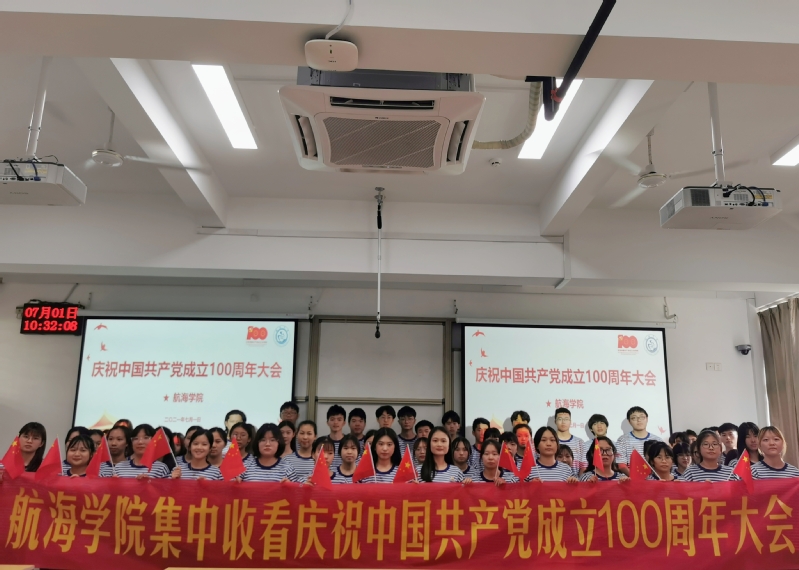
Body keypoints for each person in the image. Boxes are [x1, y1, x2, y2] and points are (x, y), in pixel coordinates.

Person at [104, 424, 170, 479]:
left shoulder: (161, 468)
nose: (140, 442)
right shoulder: (119, 467)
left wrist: (150, 484)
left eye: (146, 437)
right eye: (135, 438)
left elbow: (166, 490)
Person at [615, 406, 662, 476]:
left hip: (655, 478)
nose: (639, 420)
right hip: (633, 478)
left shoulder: (658, 440)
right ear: (629, 421)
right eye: (634, 418)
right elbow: (621, 465)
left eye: (642, 417)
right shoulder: (622, 440)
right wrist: (636, 478)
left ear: (647, 419)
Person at [554, 408, 586, 474]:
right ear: (555, 421)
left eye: (566, 419)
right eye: (560, 419)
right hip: (554, 478)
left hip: (575, 479)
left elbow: (583, 466)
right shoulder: (551, 441)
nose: (563, 422)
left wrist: (579, 480)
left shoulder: (579, 442)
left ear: (570, 422)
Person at [326, 405, 347, 470]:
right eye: (332, 419)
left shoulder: (350, 442)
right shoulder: (322, 442)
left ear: (344, 423)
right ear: (327, 422)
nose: (335, 422)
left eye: (339, 419)